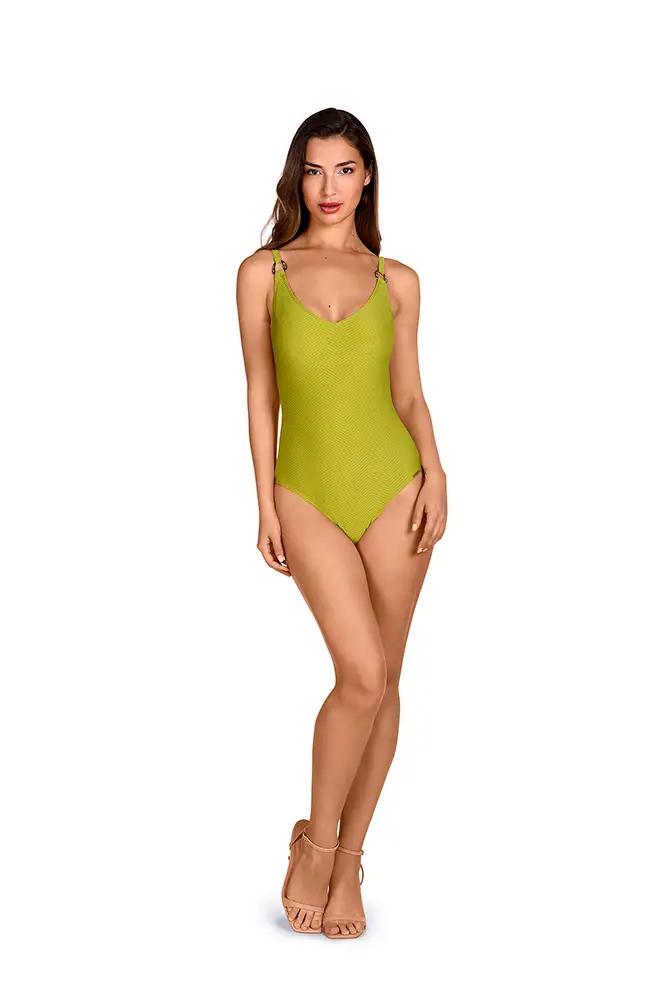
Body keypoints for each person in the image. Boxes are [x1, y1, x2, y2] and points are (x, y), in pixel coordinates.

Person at [236, 108, 448, 939]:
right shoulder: (263, 271)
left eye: (345, 169)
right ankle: (314, 846)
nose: (329, 187)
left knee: (384, 681)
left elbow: (408, 394)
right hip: (306, 491)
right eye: (314, 169)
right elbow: (261, 394)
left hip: (395, 486)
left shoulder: (398, 281)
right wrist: (264, 501)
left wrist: (436, 471)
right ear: (298, 177)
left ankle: (349, 859)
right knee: (358, 673)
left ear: (367, 178)